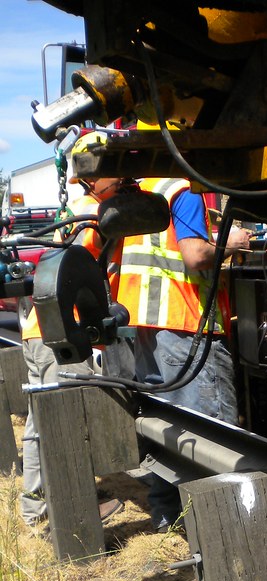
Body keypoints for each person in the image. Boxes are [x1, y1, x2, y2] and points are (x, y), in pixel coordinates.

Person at [118, 177, 252, 531]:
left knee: (165, 427)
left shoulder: (144, 188)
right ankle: (221, 529)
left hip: (146, 324)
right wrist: (231, 242)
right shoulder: (184, 190)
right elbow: (194, 255)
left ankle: (167, 517)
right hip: (185, 321)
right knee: (211, 435)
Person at [20, 175, 127, 529]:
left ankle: (36, 508)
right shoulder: (95, 216)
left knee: (41, 425)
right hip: (63, 333)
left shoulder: (75, 211)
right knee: (69, 424)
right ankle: (75, 512)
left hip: (38, 330)